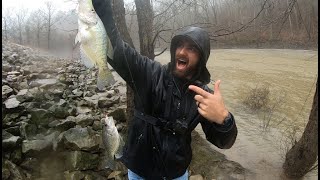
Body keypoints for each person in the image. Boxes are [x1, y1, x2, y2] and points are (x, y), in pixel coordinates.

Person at [92, 0, 238, 179]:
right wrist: (99, 6)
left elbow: (223, 142)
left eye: (191, 48)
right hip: (139, 170)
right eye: (179, 45)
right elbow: (116, 47)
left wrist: (224, 119)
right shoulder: (149, 73)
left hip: (176, 174)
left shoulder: (203, 96)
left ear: (201, 58)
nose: (182, 52)